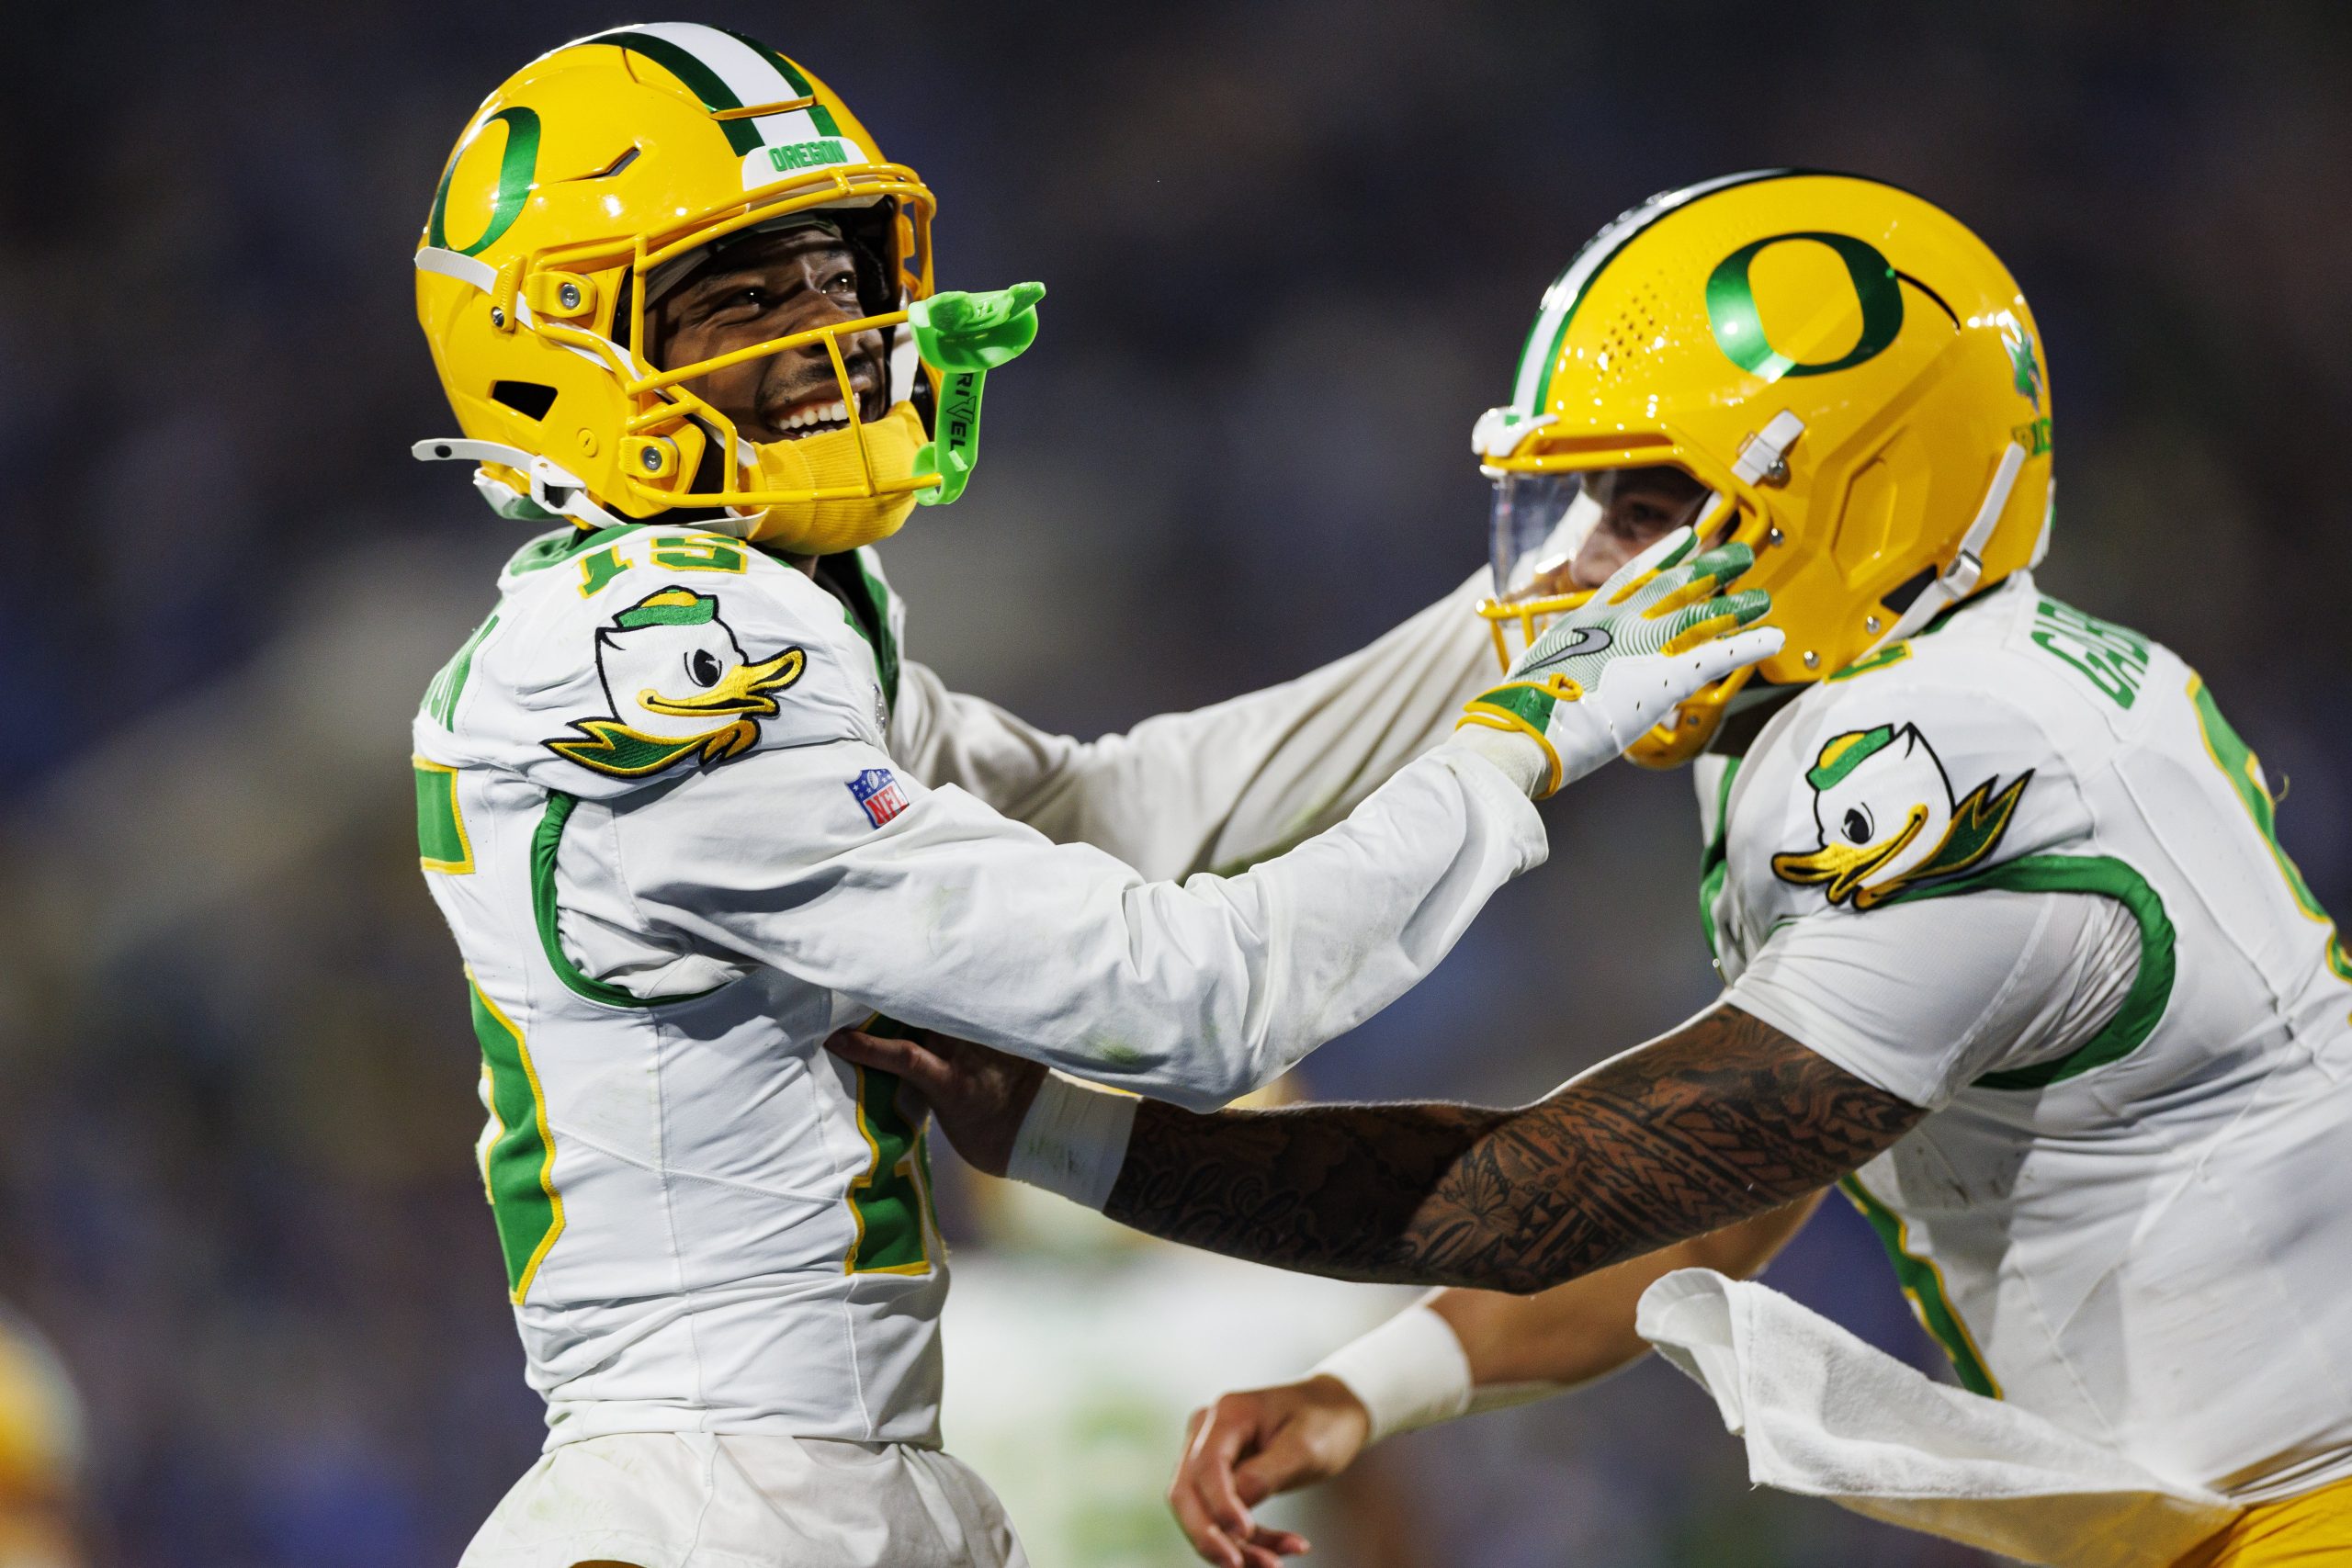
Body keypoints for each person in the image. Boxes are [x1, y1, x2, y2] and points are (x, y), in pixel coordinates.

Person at [833, 171, 2352, 1568]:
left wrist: (1066, 1138)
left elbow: (1545, 1196)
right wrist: (1372, 1389)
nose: (1571, 566)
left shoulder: (1944, 764)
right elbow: (1709, 1220)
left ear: (1861, 501)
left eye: (1643, 504)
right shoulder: (1953, 685)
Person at [406, 28, 1777, 1568]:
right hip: (718, 1508)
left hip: (801, 1491)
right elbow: (1186, 1003)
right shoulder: (649, 656)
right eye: (738, 293)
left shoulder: (739, 604)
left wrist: (1529, 605)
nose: (832, 331)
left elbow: (1108, 809)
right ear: (552, 352)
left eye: (835, 271)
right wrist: (1521, 743)